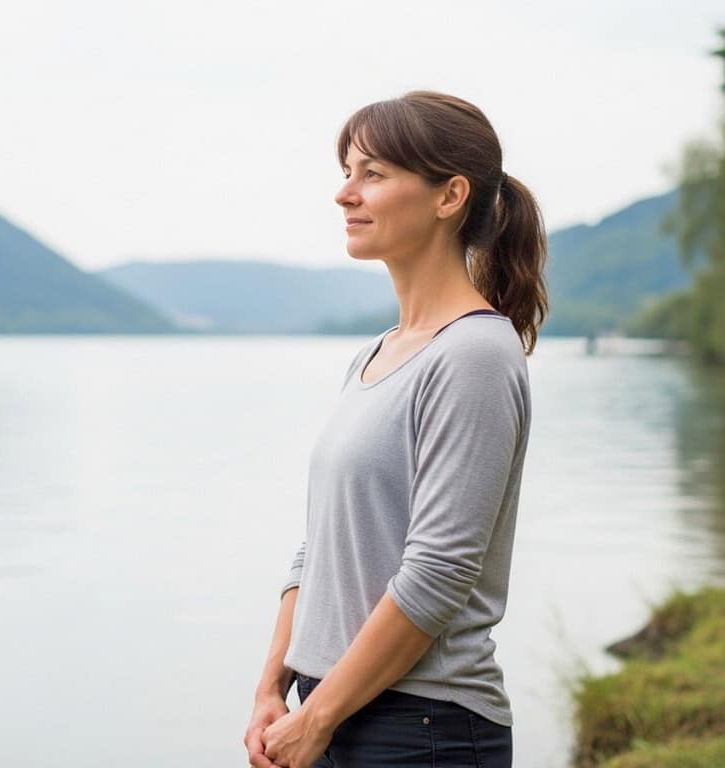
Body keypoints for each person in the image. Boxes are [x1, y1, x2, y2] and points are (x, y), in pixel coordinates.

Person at [243, 90, 548, 768]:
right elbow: (317, 546)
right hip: (337, 712)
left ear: (449, 196)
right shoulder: (376, 353)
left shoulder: (474, 355)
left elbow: (437, 573)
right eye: (347, 171)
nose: (344, 194)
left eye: (372, 174)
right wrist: (275, 686)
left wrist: (318, 717)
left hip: (421, 728)